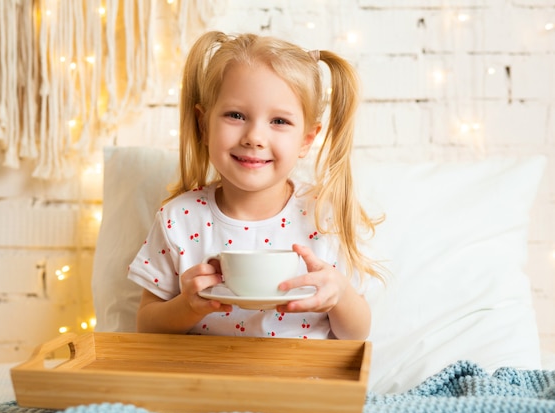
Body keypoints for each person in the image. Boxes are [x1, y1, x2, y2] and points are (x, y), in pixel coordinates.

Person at [128, 31, 383, 340]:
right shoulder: (179, 219)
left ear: (306, 140)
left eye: (279, 121)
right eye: (236, 115)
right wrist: (189, 306)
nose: (254, 137)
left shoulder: (325, 217)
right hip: (207, 381)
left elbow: (357, 334)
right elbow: (146, 325)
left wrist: (339, 294)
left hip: (303, 382)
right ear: (203, 124)